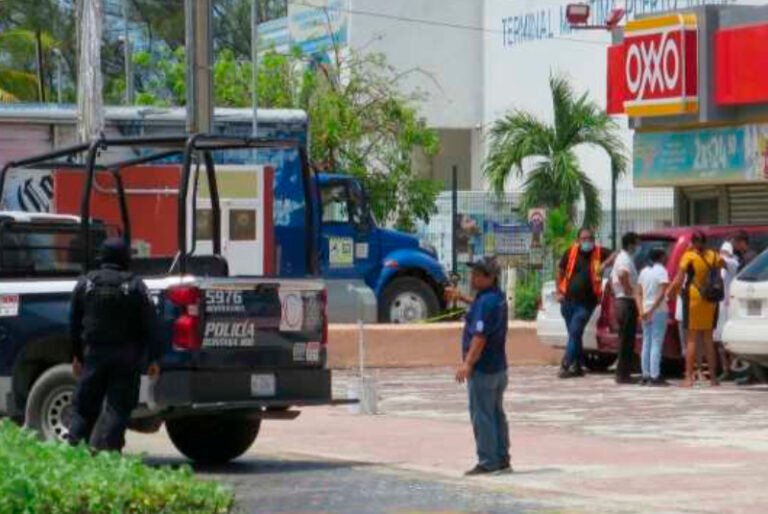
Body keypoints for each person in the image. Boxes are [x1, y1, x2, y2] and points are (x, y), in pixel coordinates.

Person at [68, 238, 160, 452]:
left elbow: (73, 323)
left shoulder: (86, 284)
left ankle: (73, 456)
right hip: (126, 357)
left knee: (83, 408)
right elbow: (151, 324)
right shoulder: (135, 285)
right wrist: (153, 358)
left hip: (93, 356)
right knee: (118, 408)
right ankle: (109, 456)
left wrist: (76, 356)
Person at [445, 257, 510, 476]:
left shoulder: (486, 302)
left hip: (484, 368)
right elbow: (483, 312)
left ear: (490, 277)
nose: (472, 278)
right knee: (496, 413)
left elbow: (479, 337)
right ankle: (502, 458)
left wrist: (467, 364)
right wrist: (462, 298)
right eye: (473, 273)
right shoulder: (496, 298)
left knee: (482, 415)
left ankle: (488, 462)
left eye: (478, 274)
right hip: (499, 367)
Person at [669, 231, 724, 388]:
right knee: (708, 338)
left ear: (693, 242)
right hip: (711, 299)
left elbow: (679, 278)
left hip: (694, 298)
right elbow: (723, 266)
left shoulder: (689, 256)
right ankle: (713, 378)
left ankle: (689, 378)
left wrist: (671, 293)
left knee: (692, 339)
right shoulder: (714, 255)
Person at [557, 228, 614, 378]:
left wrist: (604, 264)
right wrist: (558, 292)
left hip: (586, 304)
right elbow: (560, 272)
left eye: (590, 238)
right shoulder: (570, 252)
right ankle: (577, 366)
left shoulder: (599, 252)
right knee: (574, 335)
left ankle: (566, 364)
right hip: (567, 302)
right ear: (578, 240)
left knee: (575, 332)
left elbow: (617, 254)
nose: (587, 241)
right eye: (584, 239)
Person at [636, 247, 670, 386]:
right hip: (658, 310)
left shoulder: (644, 271)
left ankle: (645, 374)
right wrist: (652, 309)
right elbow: (662, 293)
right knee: (656, 342)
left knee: (646, 342)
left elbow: (637, 292)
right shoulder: (661, 270)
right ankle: (655, 375)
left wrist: (641, 310)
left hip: (645, 309)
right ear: (661, 257)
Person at [611, 232, 640, 384]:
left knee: (627, 339)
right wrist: (628, 289)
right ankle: (622, 374)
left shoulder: (624, 258)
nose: (637, 247)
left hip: (623, 300)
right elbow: (622, 274)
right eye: (636, 243)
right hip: (625, 301)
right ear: (630, 244)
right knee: (626, 340)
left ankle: (624, 372)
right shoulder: (624, 258)